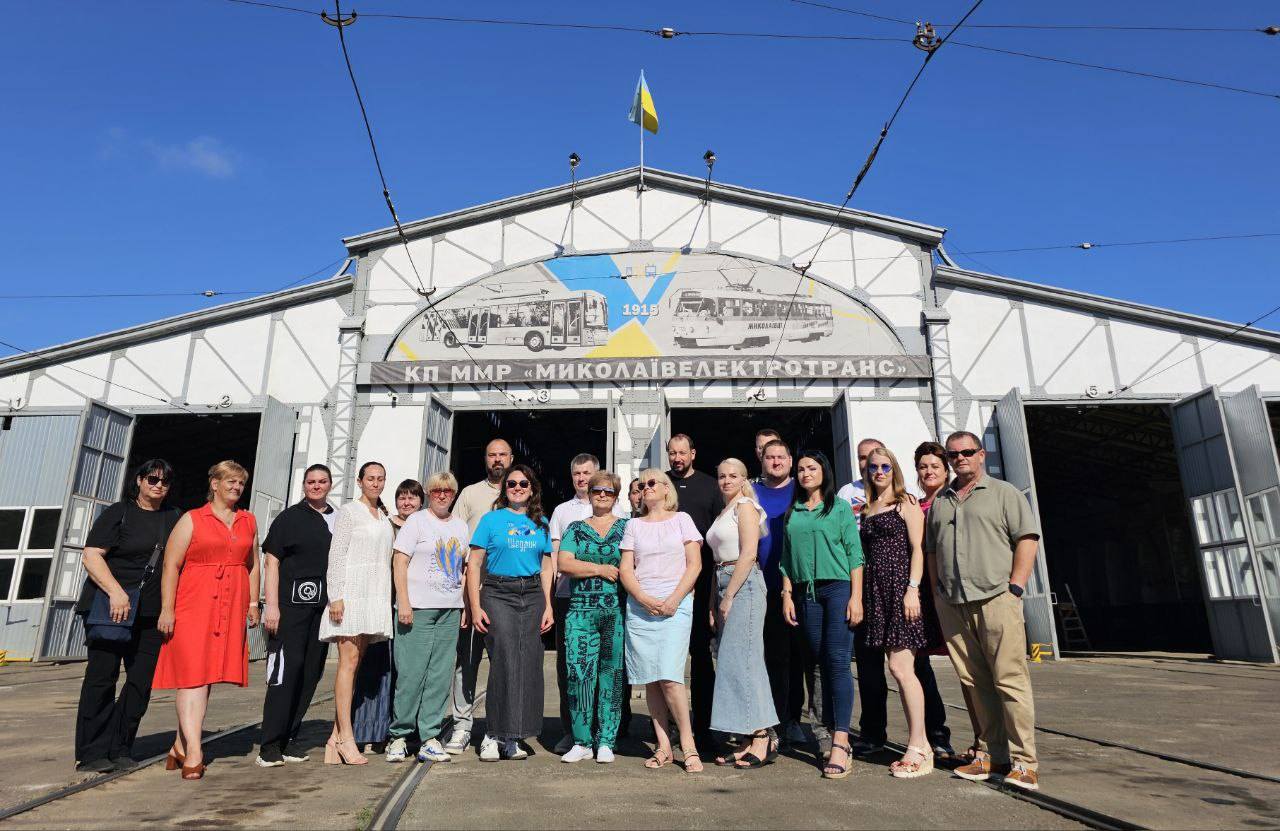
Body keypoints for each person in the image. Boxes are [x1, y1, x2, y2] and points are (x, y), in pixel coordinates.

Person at [927, 431, 1042, 791]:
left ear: (981, 454)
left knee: (1009, 679)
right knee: (974, 683)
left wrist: (1016, 587)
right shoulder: (941, 501)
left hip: (995, 598)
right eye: (953, 454)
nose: (960, 458)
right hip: (953, 603)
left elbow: (1026, 539)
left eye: (967, 452)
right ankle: (993, 755)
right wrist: (938, 593)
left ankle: (1025, 762)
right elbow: (932, 551)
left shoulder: (1004, 493)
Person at [153, 461, 261, 781]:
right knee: (192, 676)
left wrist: (253, 602)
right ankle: (195, 751)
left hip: (230, 605)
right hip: (193, 604)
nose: (236, 487)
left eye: (241, 483)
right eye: (230, 481)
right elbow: (171, 565)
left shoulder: (248, 520)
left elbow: (253, 563)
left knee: (207, 675)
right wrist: (167, 609)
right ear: (214, 484)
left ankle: (179, 744)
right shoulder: (192, 519)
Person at [74, 459, 181, 773]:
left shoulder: (174, 518)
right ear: (139, 481)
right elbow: (91, 555)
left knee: (140, 683)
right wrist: (115, 592)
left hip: (150, 614)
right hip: (111, 608)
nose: (158, 485)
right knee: (102, 678)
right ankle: (92, 753)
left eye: (165, 481)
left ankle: (120, 747)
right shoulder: (118, 513)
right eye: (152, 479)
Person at [780, 451, 863, 780]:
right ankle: (826, 729)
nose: (805, 474)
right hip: (805, 593)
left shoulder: (839, 508)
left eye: (811, 468)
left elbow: (855, 555)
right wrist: (787, 594)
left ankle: (841, 740)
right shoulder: (794, 511)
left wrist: (856, 597)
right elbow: (786, 557)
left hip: (838, 589)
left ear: (824, 471)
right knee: (815, 661)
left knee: (837, 660)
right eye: (801, 469)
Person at [468, 464, 554, 762]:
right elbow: (474, 564)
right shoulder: (491, 520)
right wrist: (475, 606)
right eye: (512, 484)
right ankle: (492, 734)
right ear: (505, 489)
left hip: (532, 594)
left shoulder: (541, 523)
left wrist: (548, 605)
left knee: (529, 662)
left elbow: (546, 567)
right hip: (498, 591)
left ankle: (513, 736)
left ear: (532, 489)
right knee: (504, 658)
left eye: (523, 484)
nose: (517, 488)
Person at [620, 469, 704, 773]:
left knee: (670, 676)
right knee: (651, 678)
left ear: (667, 489)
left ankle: (688, 744)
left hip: (675, 606)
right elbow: (626, 569)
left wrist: (673, 600)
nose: (646, 487)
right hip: (641, 608)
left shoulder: (682, 520)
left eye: (652, 482)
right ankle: (663, 746)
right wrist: (643, 598)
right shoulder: (633, 525)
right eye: (642, 485)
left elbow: (694, 564)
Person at [549, 454, 632, 754]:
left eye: (608, 491)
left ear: (616, 496)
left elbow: (633, 566)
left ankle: (606, 740)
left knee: (611, 674)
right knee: (578, 674)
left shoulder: (627, 528)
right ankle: (582, 741)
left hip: (615, 612)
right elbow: (564, 563)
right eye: (597, 490)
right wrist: (601, 569)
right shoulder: (575, 528)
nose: (602, 495)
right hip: (580, 611)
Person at [859, 446, 934, 778]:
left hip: (901, 591)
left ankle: (920, 746)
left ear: (894, 470)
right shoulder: (868, 508)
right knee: (897, 669)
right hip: (876, 593)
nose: (879, 472)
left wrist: (912, 588)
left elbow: (918, 549)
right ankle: (919, 744)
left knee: (902, 668)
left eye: (885, 466)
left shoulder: (906, 503)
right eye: (874, 467)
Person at [256, 464, 337, 768]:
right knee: (285, 674)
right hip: (290, 609)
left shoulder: (336, 518)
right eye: (311, 481)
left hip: (321, 610)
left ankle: (290, 738)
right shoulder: (289, 519)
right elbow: (272, 562)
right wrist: (271, 605)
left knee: (310, 673)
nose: (316, 486)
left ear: (330, 484)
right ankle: (269, 744)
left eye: (322, 481)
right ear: (304, 485)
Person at [386, 473, 468, 764]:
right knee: (411, 673)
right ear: (429, 494)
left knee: (440, 676)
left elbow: (464, 568)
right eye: (436, 491)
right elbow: (399, 562)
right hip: (417, 609)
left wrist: (464, 605)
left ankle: (429, 736)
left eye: (447, 491)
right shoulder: (417, 522)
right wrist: (403, 602)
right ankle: (399, 736)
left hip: (449, 609)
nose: (442, 495)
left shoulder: (461, 526)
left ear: (454, 494)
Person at [319, 461, 395, 766]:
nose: (376, 483)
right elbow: (336, 554)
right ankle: (346, 738)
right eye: (370, 478)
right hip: (351, 594)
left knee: (356, 664)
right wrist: (335, 596)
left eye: (380, 478)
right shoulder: (350, 512)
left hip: (373, 595)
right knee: (348, 663)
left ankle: (334, 739)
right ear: (360, 481)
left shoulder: (384, 516)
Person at [444, 438, 513, 756]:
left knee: (505, 663)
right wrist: (459, 588)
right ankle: (462, 726)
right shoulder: (470, 494)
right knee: (467, 660)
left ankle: (502, 728)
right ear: (485, 459)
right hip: (473, 589)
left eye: (502, 455)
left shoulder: (519, 492)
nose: (497, 460)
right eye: (492, 455)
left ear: (511, 458)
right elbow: (455, 538)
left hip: (508, 593)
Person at [707, 459, 777, 769]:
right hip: (724, 580)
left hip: (743, 584)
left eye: (733, 475)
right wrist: (714, 600)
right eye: (721, 475)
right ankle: (748, 736)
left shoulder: (745, 506)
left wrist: (729, 596)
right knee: (732, 663)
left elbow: (748, 553)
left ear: (744, 479)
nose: (726, 480)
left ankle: (763, 736)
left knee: (747, 660)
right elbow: (717, 560)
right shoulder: (724, 511)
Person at [755, 436, 822, 752]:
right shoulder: (751, 492)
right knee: (774, 657)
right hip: (765, 585)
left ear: (790, 461)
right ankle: (775, 722)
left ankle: (799, 720)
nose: (776, 462)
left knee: (805, 656)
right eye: (770, 457)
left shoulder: (803, 489)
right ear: (762, 460)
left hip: (803, 585)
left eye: (781, 457)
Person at [916, 441, 977, 763]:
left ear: (945, 470)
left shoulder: (956, 501)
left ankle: (984, 739)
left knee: (968, 669)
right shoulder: (913, 505)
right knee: (919, 669)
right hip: (921, 597)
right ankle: (936, 738)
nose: (929, 472)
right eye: (923, 466)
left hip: (952, 593)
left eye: (934, 466)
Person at [352, 480, 422, 752]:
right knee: (377, 669)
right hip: (383, 601)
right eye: (402, 498)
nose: (407, 502)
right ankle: (370, 731)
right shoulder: (385, 524)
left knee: (407, 671)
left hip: (414, 605)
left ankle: (405, 729)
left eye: (412, 498)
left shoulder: (426, 525)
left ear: (421, 501)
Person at [665, 434, 722, 753]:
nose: (677, 458)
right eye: (672, 453)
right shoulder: (661, 484)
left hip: (701, 582)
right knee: (669, 659)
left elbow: (718, 535)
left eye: (682, 452)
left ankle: (704, 727)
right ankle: (672, 726)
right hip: (666, 584)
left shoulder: (710, 487)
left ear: (693, 454)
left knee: (701, 656)